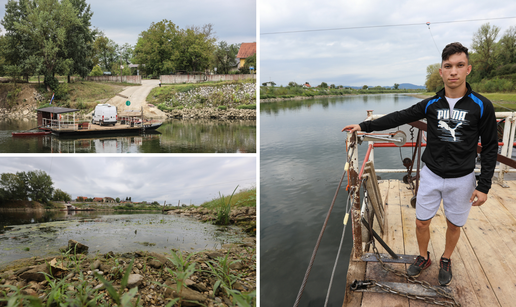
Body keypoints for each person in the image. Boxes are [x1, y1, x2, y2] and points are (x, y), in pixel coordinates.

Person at [342, 42, 498, 286]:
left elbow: (490, 147)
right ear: (441, 72)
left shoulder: (481, 106)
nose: (454, 71)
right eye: (448, 66)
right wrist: (364, 126)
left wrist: (484, 185)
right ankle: (423, 256)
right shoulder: (431, 105)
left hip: (463, 179)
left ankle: (446, 258)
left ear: (468, 69)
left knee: (454, 224)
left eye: (459, 65)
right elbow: (399, 116)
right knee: (420, 221)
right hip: (432, 175)